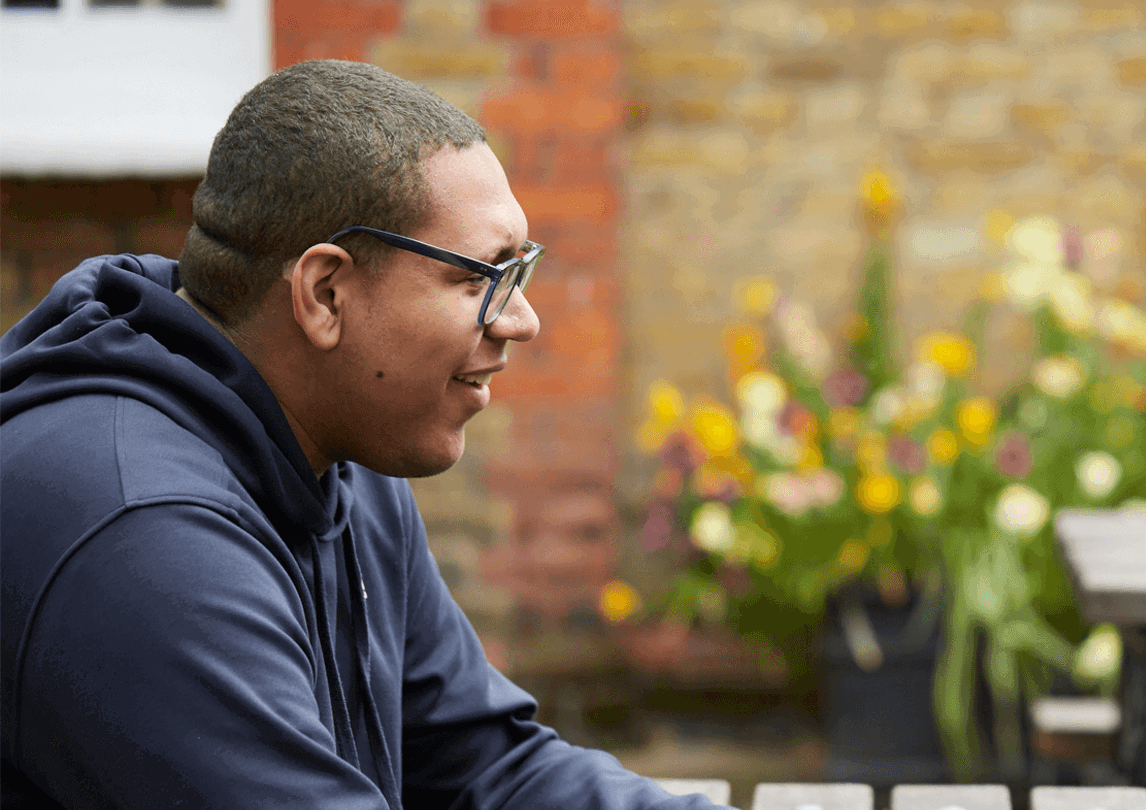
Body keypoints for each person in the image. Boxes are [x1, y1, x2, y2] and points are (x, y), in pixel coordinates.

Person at [1, 60, 729, 809]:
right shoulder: (140, 534)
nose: (521, 320)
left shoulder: (340, 456)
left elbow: (485, 770)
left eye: (519, 273)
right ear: (325, 294)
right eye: (480, 278)